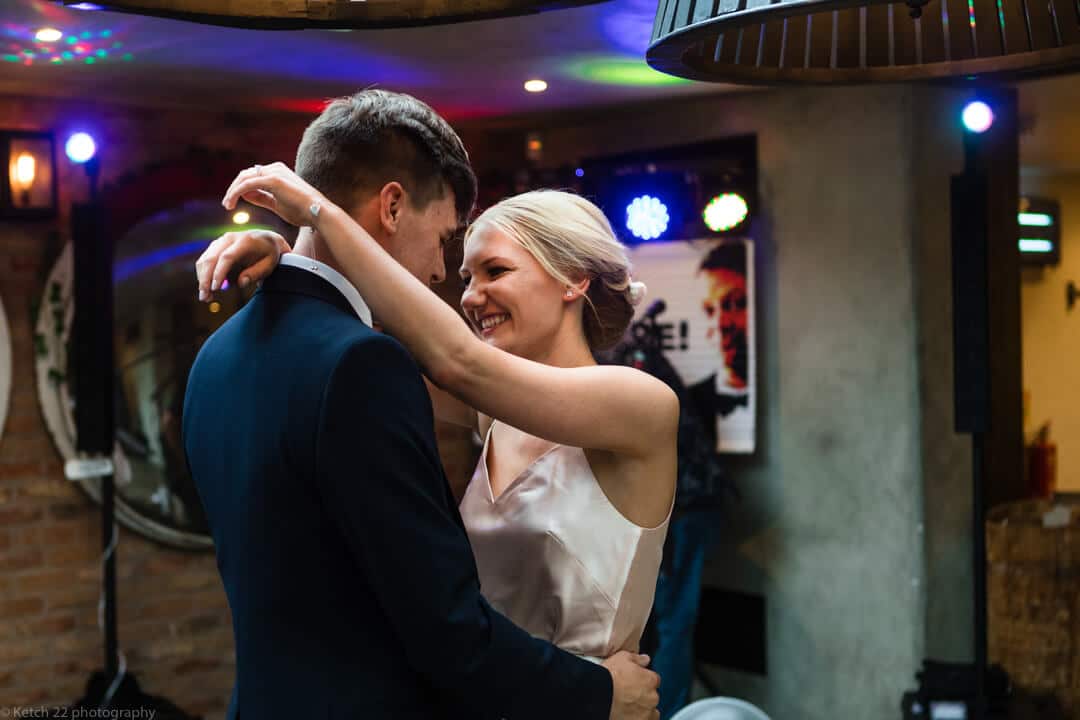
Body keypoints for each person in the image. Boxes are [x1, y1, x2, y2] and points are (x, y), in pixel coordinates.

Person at [182, 89, 661, 720]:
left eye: (493, 271)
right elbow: (439, 358)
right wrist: (293, 254)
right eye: (457, 261)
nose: (453, 286)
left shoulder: (216, 357)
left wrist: (312, 232)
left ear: (574, 278)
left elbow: (453, 357)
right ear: (392, 206)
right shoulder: (387, 377)